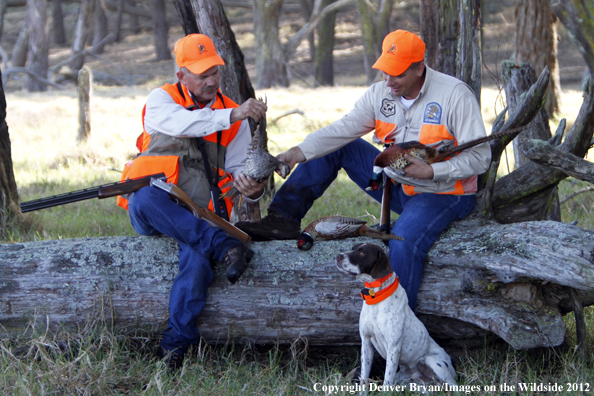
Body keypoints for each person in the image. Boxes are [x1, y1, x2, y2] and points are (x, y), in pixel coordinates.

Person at [237, 30, 491, 311]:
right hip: (395, 184)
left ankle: (399, 324)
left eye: (397, 74)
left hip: (444, 193)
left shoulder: (455, 95)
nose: (388, 81)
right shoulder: (380, 93)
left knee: (402, 242)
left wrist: (431, 172)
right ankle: (281, 220)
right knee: (340, 146)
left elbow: (480, 159)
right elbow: (342, 130)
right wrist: (297, 153)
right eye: (385, 71)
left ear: (419, 68)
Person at [117, 34, 268, 369]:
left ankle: (174, 346)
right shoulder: (161, 100)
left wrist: (251, 189)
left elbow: (240, 172)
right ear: (181, 75)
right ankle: (219, 244)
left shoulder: (233, 116)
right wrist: (231, 114)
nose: (211, 81)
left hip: (200, 215)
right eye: (202, 75)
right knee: (142, 199)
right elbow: (187, 124)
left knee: (198, 262)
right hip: (157, 210)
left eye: (214, 72)